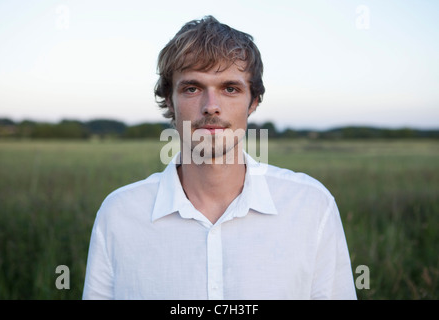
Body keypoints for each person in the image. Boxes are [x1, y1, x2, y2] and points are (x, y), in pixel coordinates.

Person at [82, 15, 357, 300]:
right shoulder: (119, 214)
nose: (211, 107)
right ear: (169, 102)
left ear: (253, 102)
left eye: (230, 89)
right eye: (192, 88)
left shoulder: (312, 207)